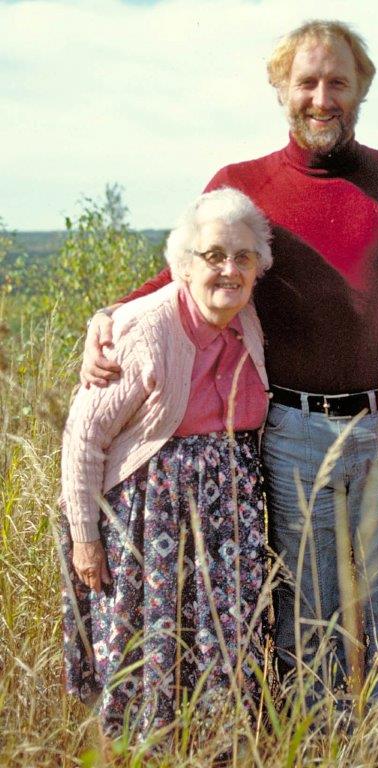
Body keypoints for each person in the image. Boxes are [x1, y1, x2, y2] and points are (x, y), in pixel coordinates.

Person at [79, 21, 378, 710]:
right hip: (294, 432)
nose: (321, 97)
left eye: (337, 82)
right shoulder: (242, 184)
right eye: (306, 82)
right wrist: (108, 316)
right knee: (310, 610)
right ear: (281, 90)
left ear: (360, 89)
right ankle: (322, 740)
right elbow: (181, 272)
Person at [60, 188, 272, 745]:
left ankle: (219, 747)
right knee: (149, 644)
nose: (230, 269)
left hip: (229, 514)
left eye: (244, 257)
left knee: (224, 644)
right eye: (214, 256)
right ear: (182, 265)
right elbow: (84, 437)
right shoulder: (147, 330)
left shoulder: (246, 316)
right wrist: (85, 538)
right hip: (151, 519)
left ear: (258, 268)